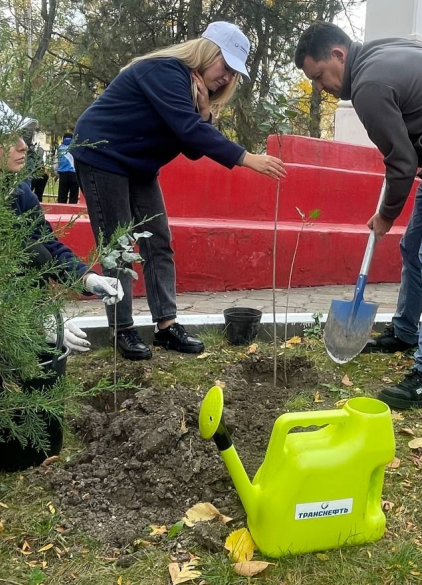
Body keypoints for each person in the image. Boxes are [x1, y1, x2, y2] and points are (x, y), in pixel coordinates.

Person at [294, 22, 422, 409]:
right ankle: (406, 331)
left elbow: (402, 163)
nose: (321, 88)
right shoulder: (381, 49)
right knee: (414, 247)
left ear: (338, 55)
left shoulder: (369, 87)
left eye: (320, 76)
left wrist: (386, 215)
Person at [71, 21, 286, 361]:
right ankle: (122, 328)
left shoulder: (194, 89)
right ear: (207, 52)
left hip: (139, 164)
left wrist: (204, 112)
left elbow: (191, 146)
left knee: (158, 240)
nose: (228, 77)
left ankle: (166, 325)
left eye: (234, 73)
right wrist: (246, 158)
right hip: (101, 154)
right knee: (120, 245)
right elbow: (189, 132)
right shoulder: (164, 71)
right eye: (225, 66)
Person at [0, 92, 123, 352]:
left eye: (21, 136)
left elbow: (47, 246)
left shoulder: (19, 193)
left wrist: (87, 278)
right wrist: (29, 318)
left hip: (5, 316)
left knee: (36, 251)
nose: (23, 145)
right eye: (7, 139)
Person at [55, 132, 79, 204]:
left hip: (63, 174)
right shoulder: (76, 148)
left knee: (62, 196)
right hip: (74, 174)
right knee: (73, 196)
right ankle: (72, 213)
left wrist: (56, 173)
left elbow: (56, 163)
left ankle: (60, 212)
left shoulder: (59, 148)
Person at [27, 132, 50, 200]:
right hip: (42, 172)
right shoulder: (41, 149)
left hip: (33, 173)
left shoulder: (27, 149)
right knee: (39, 194)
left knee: (28, 193)